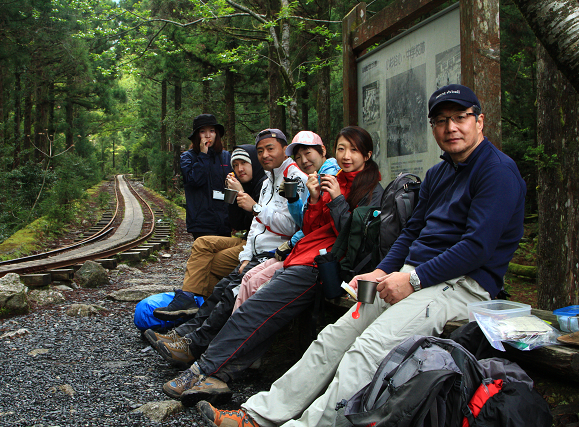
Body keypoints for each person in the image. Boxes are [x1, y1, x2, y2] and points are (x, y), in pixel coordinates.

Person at [198, 84, 527, 427]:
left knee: (369, 348)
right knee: (332, 339)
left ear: (480, 121)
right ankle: (259, 415)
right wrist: (382, 271)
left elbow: (477, 248)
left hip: (461, 284)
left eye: (461, 118)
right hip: (414, 275)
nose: (451, 127)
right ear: (433, 127)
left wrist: (412, 279)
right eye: (442, 120)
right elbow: (411, 231)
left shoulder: (497, 171)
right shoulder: (439, 173)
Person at [163, 126, 384, 407]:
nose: (346, 155)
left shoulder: (372, 191)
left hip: (326, 266)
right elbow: (312, 227)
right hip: (304, 255)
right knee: (255, 302)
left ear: (367, 154)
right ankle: (219, 373)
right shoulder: (332, 179)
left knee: (258, 306)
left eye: (353, 150)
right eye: (342, 148)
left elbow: (354, 239)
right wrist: (315, 201)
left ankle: (203, 368)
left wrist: (338, 199)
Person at [147, 129, 308, 369]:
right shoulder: (268, 180)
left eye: (270, 148)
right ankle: (184, 333)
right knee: (222, 289)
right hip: (255, 253)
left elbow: (291, 225)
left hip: (275, 254)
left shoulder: (292, 178)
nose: (264, 154)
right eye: (261, 150)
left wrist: (254, 207)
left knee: (228, 294)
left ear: (284, 149)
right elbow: (252, 226)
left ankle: (193, 346)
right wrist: (245, 255)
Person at [153, 145, 267, 320]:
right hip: (246, 240)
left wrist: (243, 194)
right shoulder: (247, 185)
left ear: (255, 162)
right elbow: (236, 223)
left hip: (259, 244)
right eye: (235, 165)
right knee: (202, 243)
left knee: (210, 263)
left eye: (244, 163)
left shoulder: (264, 185)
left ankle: (208, 309)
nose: (239, 169)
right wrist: (232, 194)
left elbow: (263, 223)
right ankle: (189, 297)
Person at [235, 131, 341, 311]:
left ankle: (231, 332)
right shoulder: (309, 179)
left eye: (308, 153)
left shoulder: (328, 178)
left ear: (323, 151)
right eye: (298, 156)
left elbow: (315, 225)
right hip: (280, 249)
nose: (304, 160)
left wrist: (292, 240)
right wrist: (293, 201)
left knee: (249, 283)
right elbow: (305, 222)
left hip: (314, 255)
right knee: (243, 280)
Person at [180, 114, 232, 240]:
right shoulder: (188, 157)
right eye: (203, 131)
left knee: (222, 259)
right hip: (201, 222)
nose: (208, 135)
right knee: (205, 257)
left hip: (224, 221)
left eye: (212, 131)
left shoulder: (226, 156)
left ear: (217, 134)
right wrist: (204, 154)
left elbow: (233, 187)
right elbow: (194, 181)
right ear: (197, 135)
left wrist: (234, 218)